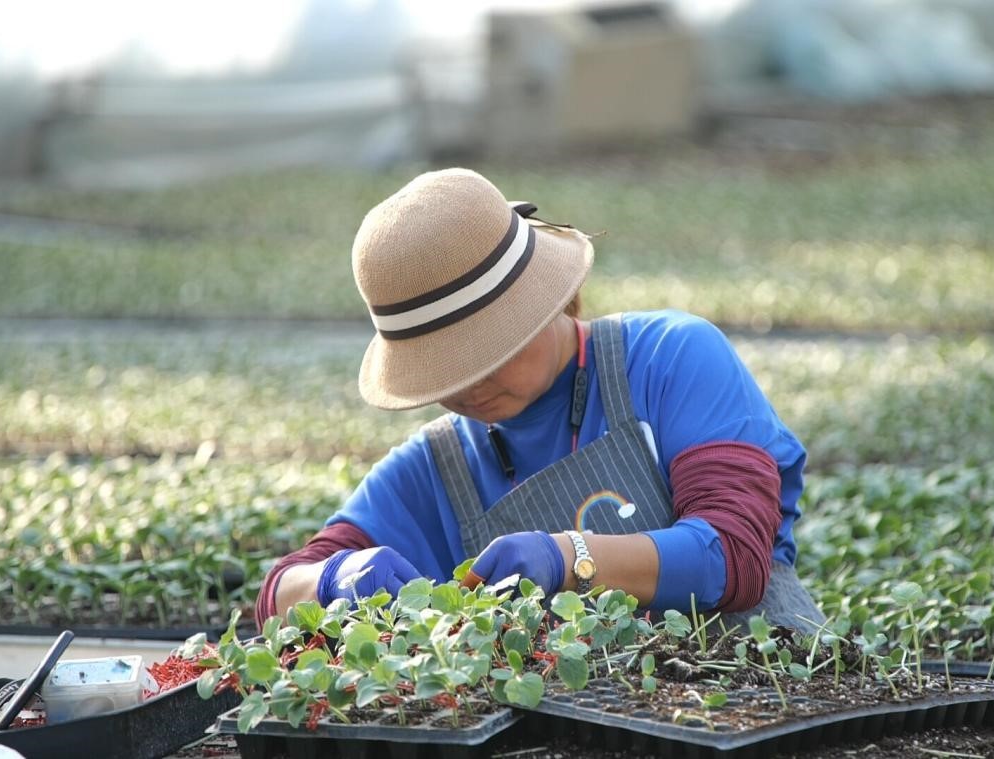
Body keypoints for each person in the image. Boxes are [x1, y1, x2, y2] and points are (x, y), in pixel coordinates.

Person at [256, 168, 823, 631]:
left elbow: (734, 553)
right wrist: (337, 578)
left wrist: (569, 556)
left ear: (546, 299)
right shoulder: (433, 471)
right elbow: (278, 594)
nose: (469, 386)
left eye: (488, 352)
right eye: (443, 372)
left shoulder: (669, 359)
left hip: (759, 697)